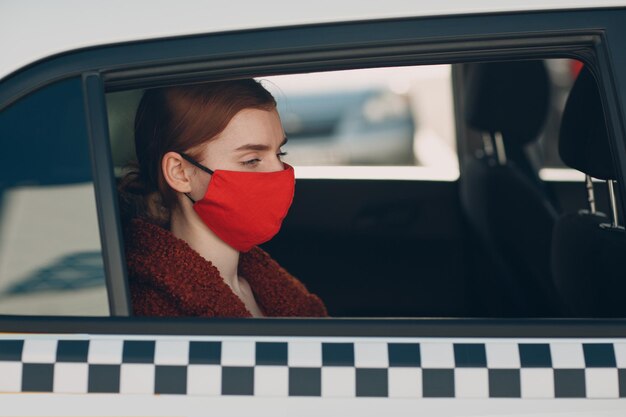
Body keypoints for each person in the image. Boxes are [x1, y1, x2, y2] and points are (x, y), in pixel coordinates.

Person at [118, 79, 327, 318]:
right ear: (180, 172)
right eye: (251, 160)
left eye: (279, 153)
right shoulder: (154, 314)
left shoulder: (265, 287)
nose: (278, 171)